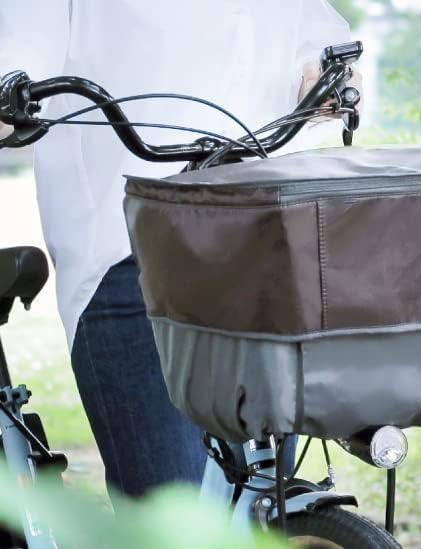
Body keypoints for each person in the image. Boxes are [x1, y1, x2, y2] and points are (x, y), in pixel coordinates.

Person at [0, 0, 352, 500]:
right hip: (129, 251)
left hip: (262, 244)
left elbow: (322, 46)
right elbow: (17, 59)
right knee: (172, 510)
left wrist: (332, 83)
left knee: (262, 505)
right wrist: (9, 99)